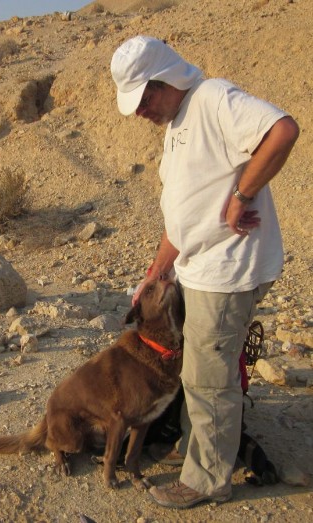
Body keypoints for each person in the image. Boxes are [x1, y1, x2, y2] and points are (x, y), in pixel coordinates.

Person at [110, 36, 299, 509]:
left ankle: (207, 478)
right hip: (196, 269)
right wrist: (156, 271)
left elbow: (283, 130)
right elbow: (185, 213)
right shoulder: (177, 124)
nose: (140, 112)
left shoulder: (213, 99)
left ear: (166, 79)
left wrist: (244, 195)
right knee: (195, 370)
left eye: (145, 98)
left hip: (226, 271)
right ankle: (199, 447)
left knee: (210, 378)